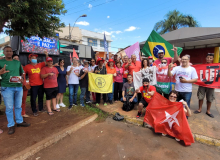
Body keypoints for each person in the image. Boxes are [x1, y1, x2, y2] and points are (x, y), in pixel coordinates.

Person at [0, 46, 30, 134]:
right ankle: (11, 125)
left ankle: (19, 121)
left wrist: (21, 79)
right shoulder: (1, 62)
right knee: (9, 107)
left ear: (12, 52)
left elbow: (21, 73)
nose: (9, 52)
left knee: (18, 106)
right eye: (7, 51)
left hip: (18, 87)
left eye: (10, 51)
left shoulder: (17, 62)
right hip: (7, 87)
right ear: (4, 52)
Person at [23, 51, 48, 116]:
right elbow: (23, 74)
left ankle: (41, 108)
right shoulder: (26, 67)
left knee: (41, 97)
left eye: (35, 58)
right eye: (33, 58)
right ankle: (34, 110)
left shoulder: (39, 64)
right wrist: (25, 82)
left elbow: (47, 62)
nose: (34, 59)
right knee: (33, 98)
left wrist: (46, 54)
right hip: (33, 85)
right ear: (30, 59)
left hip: (41, 84)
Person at [194, 53, 215, 118]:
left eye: (210, 58)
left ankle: (208, 111)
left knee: (210, 98)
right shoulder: (202, 66)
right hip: (202, 84)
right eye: (208, 57)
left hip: (211, 85)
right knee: (200, 97)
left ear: (212, 59)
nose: (209, 59)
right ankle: (199, 109)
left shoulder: (216, 66)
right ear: (206, 58)